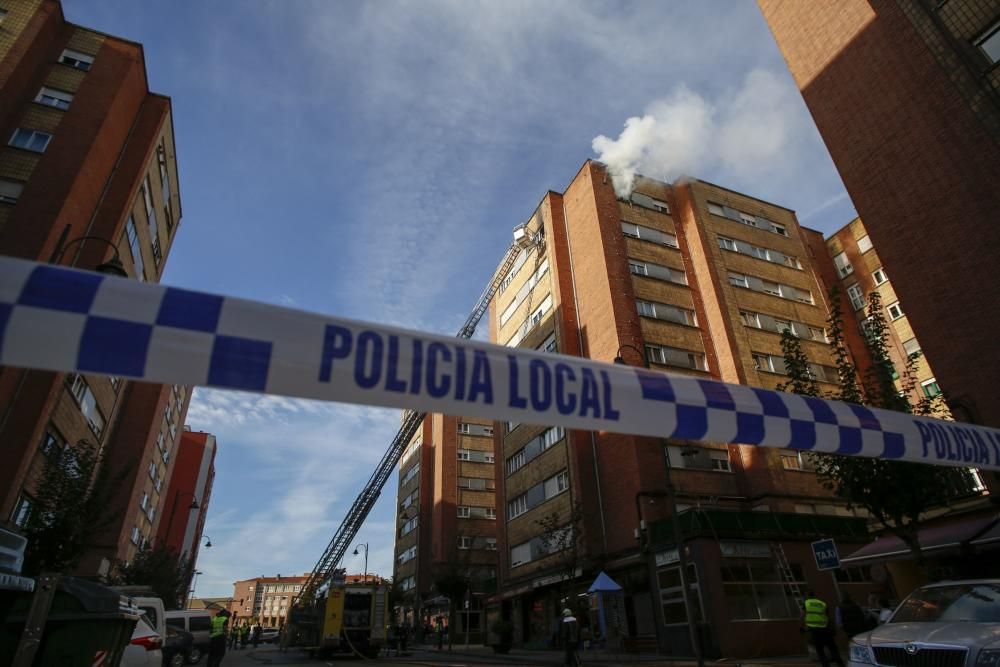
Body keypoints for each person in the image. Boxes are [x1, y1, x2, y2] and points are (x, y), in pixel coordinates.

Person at [803, 591, 844, 667]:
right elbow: (828, 616)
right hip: (826, 629)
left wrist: (803, 627)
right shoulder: (822, 603)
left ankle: (826, 665)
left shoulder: (806, 603)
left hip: (815, 630)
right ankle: (840, 664)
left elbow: (803, 615)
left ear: (807, 595)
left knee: (820, 651)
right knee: (833, 648)